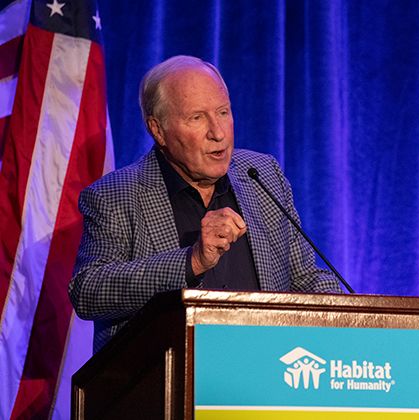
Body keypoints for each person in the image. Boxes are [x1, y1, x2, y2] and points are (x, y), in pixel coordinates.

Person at [69, 55, 342, 353]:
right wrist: (193, 261)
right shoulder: (117, 195)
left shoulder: (262, 175)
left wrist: (354, 319)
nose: (218, 133)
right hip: (167, 381)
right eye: (197, 118)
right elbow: (88, 290)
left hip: (266, 372)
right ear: (158, 130)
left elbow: (303, 277)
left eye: (223, 112)